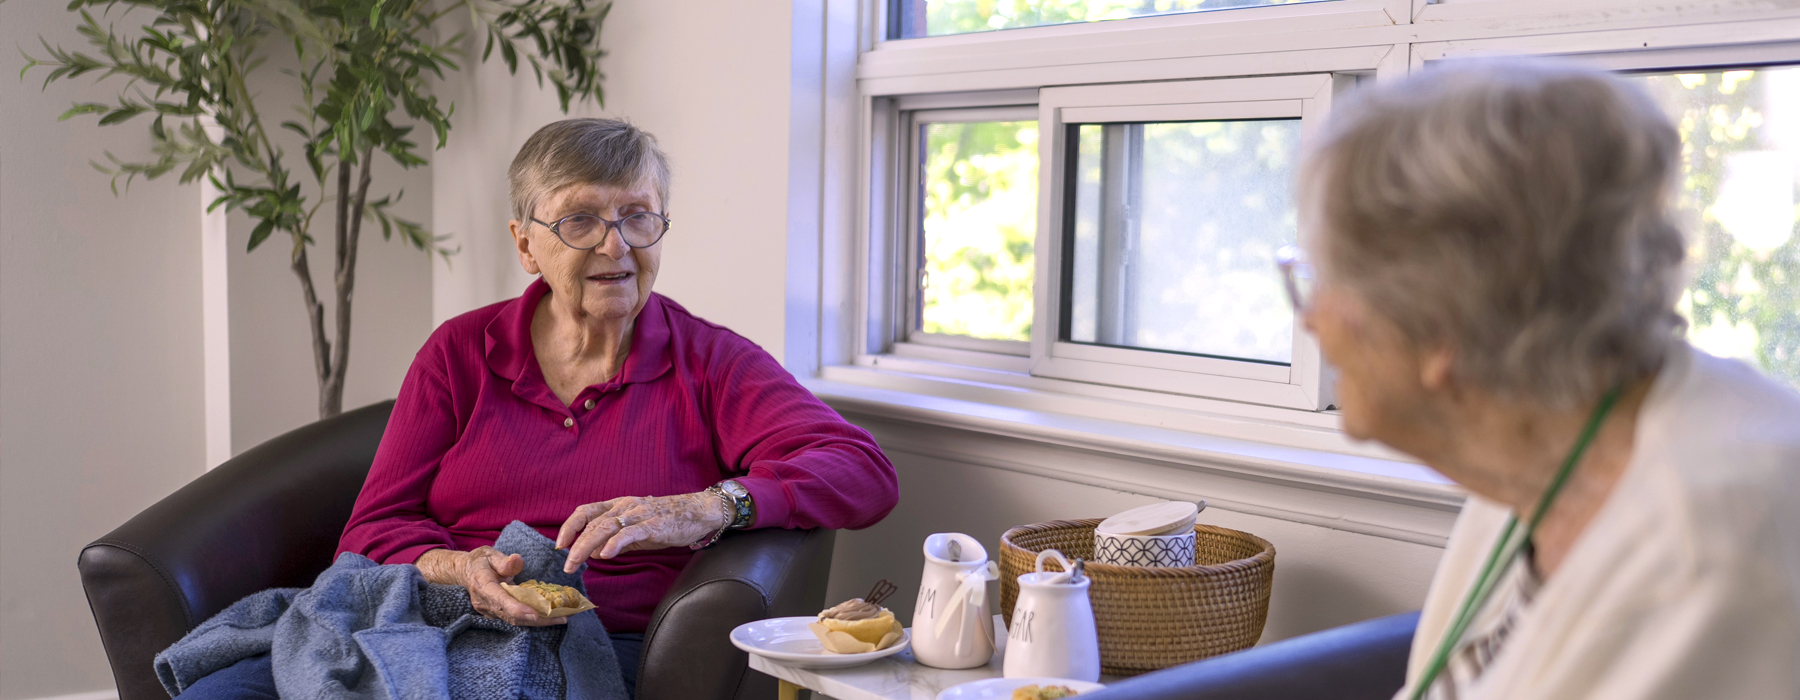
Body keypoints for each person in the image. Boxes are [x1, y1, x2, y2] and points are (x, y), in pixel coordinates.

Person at [178, 118, 900, 698]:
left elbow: (862, 471)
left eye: (637, 216)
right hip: (431, 612)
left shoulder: (710, 362)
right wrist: (463, 570)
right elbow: (375, 528)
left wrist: (711, 507)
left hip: (594, 642)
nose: (615, 244)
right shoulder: (460, 352)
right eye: (580, 220)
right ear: (526, 244)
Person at [1284, 59, 1800, 699]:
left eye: (1328, 277)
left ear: (1443, 320)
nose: (1311, 319)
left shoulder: (1701, 561)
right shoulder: (1535, 443)